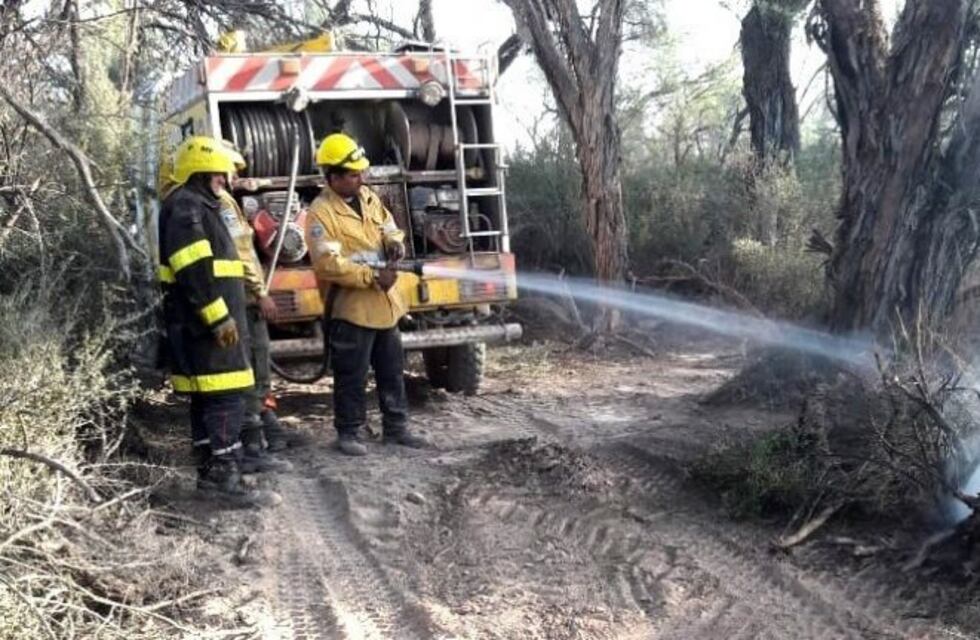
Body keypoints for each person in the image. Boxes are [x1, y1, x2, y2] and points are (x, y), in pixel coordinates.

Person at [304, 133, 427, 456]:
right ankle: (349, 432)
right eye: (354, 174)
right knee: (351, 375)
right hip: (352, 308)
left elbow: (389, 228)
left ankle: (396, 429)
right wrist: (373, 276)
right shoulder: (321, 213)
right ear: (333, 177)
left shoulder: (369, 198)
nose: (362, 178)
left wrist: (394, 242)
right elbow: (328, 264)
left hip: (386, 306)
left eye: (362, 172)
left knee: (391, 370)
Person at [157, 135, 266, 498]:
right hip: (204, 328)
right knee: (224, 396)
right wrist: (218, 318)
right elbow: (194, 270)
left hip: (201, 326)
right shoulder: (188, 207)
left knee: (209, 398)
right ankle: (223, 477)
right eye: (220, 173)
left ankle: (210, 474)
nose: (226, 179)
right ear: (202, 171)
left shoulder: (199, 205)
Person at [216, 141, 309, 455]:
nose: (233, 174)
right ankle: (254, 440)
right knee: (253, 359)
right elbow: (241, 253)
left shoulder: (224, 199)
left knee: (258, 363)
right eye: (230, 168)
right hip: (244, 297)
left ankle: (265, 425)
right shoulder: (222, 204)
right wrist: (260, 292)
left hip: (241, 295)